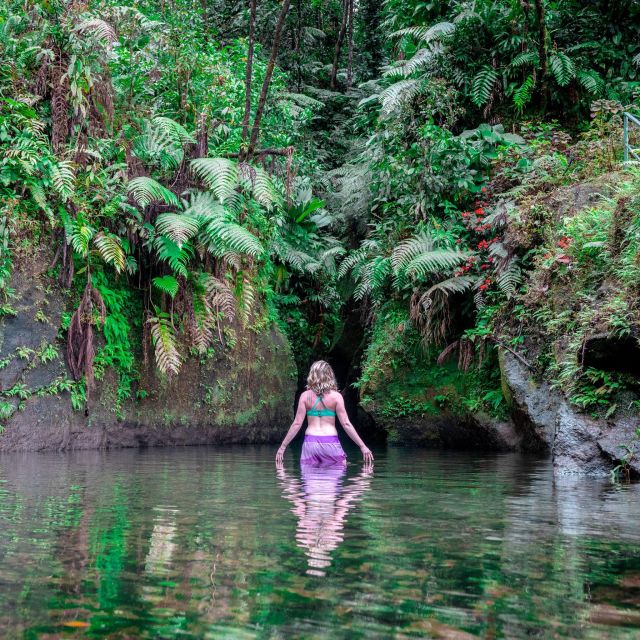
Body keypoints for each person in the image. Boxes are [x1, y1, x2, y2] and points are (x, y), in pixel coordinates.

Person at [275, 360, 374, 467]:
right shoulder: (336, 397)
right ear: (329, 375)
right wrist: (362, 446)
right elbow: (346, 424)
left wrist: (282, 447)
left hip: (310, 443)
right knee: (339, 472)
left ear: (312, 375)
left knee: (310, 482)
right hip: (330, 441)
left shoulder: (305, 396)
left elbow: (297, 424)